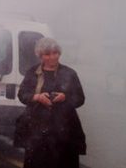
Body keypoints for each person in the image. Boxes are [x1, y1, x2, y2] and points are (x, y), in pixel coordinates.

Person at [16, 37, 86, 168]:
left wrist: (65, 97)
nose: (52, 57)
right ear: (40, 56)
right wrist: (37, 97)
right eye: (47, 54)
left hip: (64, 131)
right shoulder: (33, 73)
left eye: (55, 53)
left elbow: (80, 98)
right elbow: (22, 95)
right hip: (37, 132)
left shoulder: (69, 73)